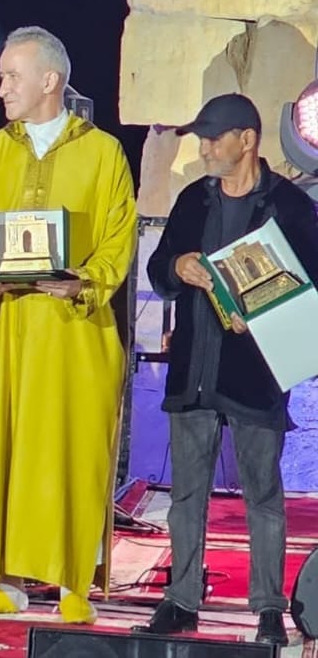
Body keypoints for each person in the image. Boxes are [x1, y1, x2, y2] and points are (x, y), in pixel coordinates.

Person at [0, 26, 136, 623]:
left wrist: (84, 282)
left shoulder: (102, 152)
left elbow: (117, 236)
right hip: (3, 327)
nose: (1, 88)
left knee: (69, 452)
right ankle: (3, 583)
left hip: (70, 329)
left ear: (49, 80)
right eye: (2, 76)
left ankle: (74, 584)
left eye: (12, 76)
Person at [132, 93, 317, 648]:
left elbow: (310, 286)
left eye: (214, 138)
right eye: (203, 139)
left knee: (263, 494)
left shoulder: (290, 205)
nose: (206, 149)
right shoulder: (194, 199)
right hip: (194, 368)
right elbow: (159, 269)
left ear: (248, 140)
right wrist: (177, 265)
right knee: (187, 494)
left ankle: (268, 608)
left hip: (256, 373)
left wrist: (264, 312)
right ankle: (181, 601)